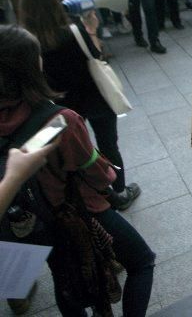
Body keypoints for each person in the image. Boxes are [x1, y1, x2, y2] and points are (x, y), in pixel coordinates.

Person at [0, 24, 155, 316]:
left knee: (65, 281)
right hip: (78, 212)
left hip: (30, 222)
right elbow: (97, 173)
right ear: (32, 67)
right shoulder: (60, 120)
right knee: (141, 261)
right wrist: (109, 172)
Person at [18, 0, 142, 210]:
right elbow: (95, 55)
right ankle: (119, 192)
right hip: (94, 97)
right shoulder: (73, 31)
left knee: (71, 153)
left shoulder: (26, 43)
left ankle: (86, 196)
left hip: (58, 108)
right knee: (109, 146)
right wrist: (92, 30)